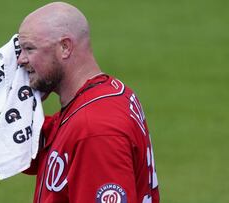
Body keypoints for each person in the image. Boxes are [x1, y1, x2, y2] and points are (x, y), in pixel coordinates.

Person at [17, 2, 159, 203]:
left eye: (29, 49)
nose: (20, 60)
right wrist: (22, 103)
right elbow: (27, 156)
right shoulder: (105, 95)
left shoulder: (94, 129)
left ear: (65, 47)